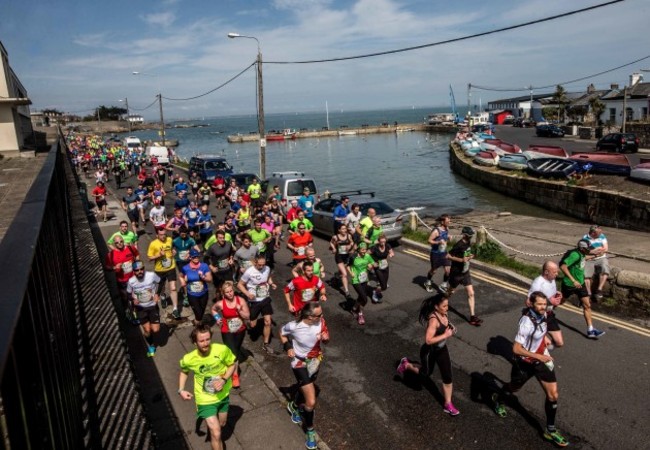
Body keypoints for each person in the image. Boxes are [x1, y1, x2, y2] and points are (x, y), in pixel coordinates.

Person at [491, 291, 569, 448]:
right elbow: (516, 349)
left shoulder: (545, 312)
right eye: (539, 304)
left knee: (553, 395)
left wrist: (544, 340)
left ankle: (550, 430)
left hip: (541, 360)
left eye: (544, 304)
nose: (543, 307)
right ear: (532, 305)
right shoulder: (526, 322)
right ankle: (499, 398)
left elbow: (551, 309)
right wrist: (537, 356)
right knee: (515, 388)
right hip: (525, 362)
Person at [396, 294, 459, 416]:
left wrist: (451, 326)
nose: (447, 308)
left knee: (447, 376)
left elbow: (445, 323)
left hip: (441, 350)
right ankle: (406, 364)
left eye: (447, 305)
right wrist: (445, 335)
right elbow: (428, 340)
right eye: (444, 306)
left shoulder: (444, 313)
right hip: (429, 351)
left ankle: (448, 404)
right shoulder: (433, 320)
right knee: (426, 373)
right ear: (436, 307)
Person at [178, 325, 237, 450]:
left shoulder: (221, 350)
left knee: (222, 424)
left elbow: (232, 364)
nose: (206, 343)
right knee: (216, 433)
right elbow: (184, 371)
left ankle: (214, 433)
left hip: (222, 395)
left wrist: (224, 379)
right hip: (204, 399)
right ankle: (215, 435)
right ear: (195, 342)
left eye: (208, 339)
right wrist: (181, 390)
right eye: (201, 341)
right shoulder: (189, 359)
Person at [281, 302, 330, 450]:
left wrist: (326, 338)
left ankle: (294, 405)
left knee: (306, 388)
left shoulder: (321, 322)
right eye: (319, 314)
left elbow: (327, 339)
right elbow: (282, 333)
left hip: (315, 361)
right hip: (299, 363)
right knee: (311, 401)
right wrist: (288, 347)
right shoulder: (294, 326)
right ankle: (310, 431)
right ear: (309, 316)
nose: (322, 316)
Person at [559, 239, 606, 339]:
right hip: (570, 284)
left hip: (581, 284)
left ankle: (590, 330)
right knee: (561, 301)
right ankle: (548, 310)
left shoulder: (581, 254)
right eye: (587, 249)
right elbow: (563, 266)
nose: (589, 250)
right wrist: (573, 280)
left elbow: (583, 258)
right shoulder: (574, 255)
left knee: (587, 305)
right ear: (581, 248)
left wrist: (595, 255)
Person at [211, 281, 251, 389]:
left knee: (236, 351)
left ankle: (229, 368)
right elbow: (213, 310)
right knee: (233, 353)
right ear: (224, 294)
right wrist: (217, 318)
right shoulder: (221, 303)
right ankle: (235, 375)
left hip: (240, 330)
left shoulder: (240, 300)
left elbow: (247, 316)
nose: (230, 293)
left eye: (231, 291)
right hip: (227, 331)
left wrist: (239, 310)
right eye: (227, 292)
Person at [237, 255, 277, 354]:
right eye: (259, 265)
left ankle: (266, 344)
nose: (261, 267)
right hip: (254, 301)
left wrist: (271, 284)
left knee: (268, 321)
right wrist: (247, 294)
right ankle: (247, 322)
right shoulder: (249, 272)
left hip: (265, 298)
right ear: (255, 263)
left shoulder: (267, 268)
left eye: (263, 265)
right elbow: (239, 284)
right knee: (252, 325)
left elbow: (268, 278)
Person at [446, 226, 482, 326]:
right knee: (450, 292)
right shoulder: (459, 245)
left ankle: (472, 318)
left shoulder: (468, 243)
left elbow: (467, 254)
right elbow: (448, 256)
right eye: (470, 235)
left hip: (465, 272)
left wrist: (471, 256)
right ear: (465, 235)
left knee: (471, 293)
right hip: (456, 273)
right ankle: (441, 302)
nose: (471, 237)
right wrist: (461, 260)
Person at [126, 261, 161, 356]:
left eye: (141, 269)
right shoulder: (131, 281)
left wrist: (157, 294)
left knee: (156, 330)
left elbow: (160, 282)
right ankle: (151, 345)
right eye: (137, 270)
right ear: (134, 271)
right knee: (147, 330)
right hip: (141, 308)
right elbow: (128, 294)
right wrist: (133, 299)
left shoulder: (151, 275)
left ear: (144, 268)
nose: (140, 271)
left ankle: (153, 324)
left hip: (152, 306)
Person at [105, 235, 140, 324]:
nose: (119, 244)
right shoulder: (111, 254)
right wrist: (114, 267)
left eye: (121, 241)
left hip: (133, 278)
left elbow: (137, 255)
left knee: (133, 297)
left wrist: (137, 267)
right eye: (117, 243)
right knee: (125, 298)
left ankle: (134, 314)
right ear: (114, 244)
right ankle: (127, 311)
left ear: (123, 240)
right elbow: (107, 267)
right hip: (122, 280)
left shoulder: (130, 248)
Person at [529, 261, 564, 347]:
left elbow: (549, 293)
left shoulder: (552, 280)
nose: (557, 274)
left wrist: (557, 294)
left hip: (549, 314)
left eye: (557, 272)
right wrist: (549, 301)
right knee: (545, 343)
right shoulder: (538, 283)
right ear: (546, 272)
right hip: (538, 317)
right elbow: (529, 302)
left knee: (559, 343)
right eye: (554, 272)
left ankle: (539, 346)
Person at [147, 228, 180, 319]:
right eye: (161, 234)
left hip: (171, 268)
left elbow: (173, 247)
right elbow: (149, 258)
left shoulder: (169, 240)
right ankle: (163, 296)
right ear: (157, 235)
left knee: (173, 288)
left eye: (164, 234)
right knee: (162, 288)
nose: (163, 236)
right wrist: (159, 255)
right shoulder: (153, 244)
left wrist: (174, 251)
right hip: (159, 270)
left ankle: (175, 309)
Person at [179, 249, 213, 326]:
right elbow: (180, 276)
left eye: (197, 256)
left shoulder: (204, 266)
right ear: (190, 257)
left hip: (203, 293)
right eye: (194, 257)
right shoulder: (185, 268)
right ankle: (199, 328)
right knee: (198, 312)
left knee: (201, 311)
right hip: (192, 295)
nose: (196, 258)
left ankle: (197, 323)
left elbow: (210, 279)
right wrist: (183, 282)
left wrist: (203, 277)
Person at [346, 242, 376, 325]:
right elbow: (347, 265)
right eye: (362, 250)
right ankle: (360, 314)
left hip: (364, 279)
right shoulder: (353, 257)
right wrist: (350, 273)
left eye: (365, 250)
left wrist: (371, 266)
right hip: (356, 280)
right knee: (364, 299)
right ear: (359, 249)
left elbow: (373, 264)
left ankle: (354, 308)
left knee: (361, 296)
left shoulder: (367, 256)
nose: (364, 252)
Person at [424, 214, 452, 293]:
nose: (449, 222)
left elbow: (445, 238)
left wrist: (449, 237)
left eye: (450, 220)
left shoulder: (447, 229)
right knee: (434, 270)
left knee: (448, 270)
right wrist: (438, 242)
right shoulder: (436, 231)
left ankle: (444, 284)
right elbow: (429, 240)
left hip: (444, 253)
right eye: (448, 220)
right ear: (443, 222)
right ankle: (428, 282)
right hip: (436, 254)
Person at [583, 225, 610, 301]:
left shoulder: (602, 236)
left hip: (601, 257)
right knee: (586, 275)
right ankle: (588, 293)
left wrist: (598, 251)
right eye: (599, 233)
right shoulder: (585, 238)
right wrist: (595, 252)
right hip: (590, 258)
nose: (601, 234)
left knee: (605, 269)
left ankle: (599, 289)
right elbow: (585, 251)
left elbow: (605, 248)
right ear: (593, 233)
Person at [330, 223, 355, 299]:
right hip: (339, 257)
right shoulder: (335, 237)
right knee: (344, 274)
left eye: (345, 228)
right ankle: (346, 291)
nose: (345, 230)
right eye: (343, 229)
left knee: (342, 270)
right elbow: (331, 243)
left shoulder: (349, 236)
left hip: (346, 256)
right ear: (339, 230)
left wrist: (350, 245)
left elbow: (352, 242)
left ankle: (337, 275)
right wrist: (334, 248)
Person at [369, 233, 394, 303]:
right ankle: (375, 293)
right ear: (378, 241)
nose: (383, 243)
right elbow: (367, 255)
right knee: (382, 284)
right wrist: (372, 262)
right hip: (378, 268)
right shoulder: (375, 247)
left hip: (385, 266)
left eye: (384, 241)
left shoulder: (387, 246)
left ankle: (376, 291)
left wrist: (391, 255)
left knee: (384, 286)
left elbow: (391, 252)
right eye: (381, 242)